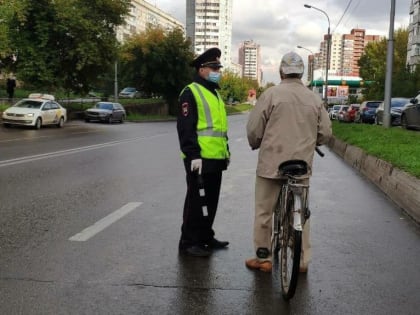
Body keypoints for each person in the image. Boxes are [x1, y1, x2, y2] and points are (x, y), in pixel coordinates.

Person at [245, 51, 332, 272]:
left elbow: (254, 130)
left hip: (271, 164)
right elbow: (325, 133)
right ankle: (301, 261)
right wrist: (313, 142)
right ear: (301, 73)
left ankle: (263, 257)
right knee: (301, 212)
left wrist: (256, 142)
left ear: (282, 71)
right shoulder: (314, 98)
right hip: (300, 166)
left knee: (264, 211)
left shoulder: (271, 94)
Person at [176, 47, 230, 257]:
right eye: (213, 67)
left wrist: (226, 152)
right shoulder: (191, 92)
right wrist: (193, 156)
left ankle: (206, 236)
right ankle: (188, 242)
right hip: (198, 159)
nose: (218, 71)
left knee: (211, 200)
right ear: (201, 69)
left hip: (215, 158)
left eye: (218, 67)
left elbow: (219, 129)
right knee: (196, 202)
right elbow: (185, 128)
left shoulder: (214, 93)